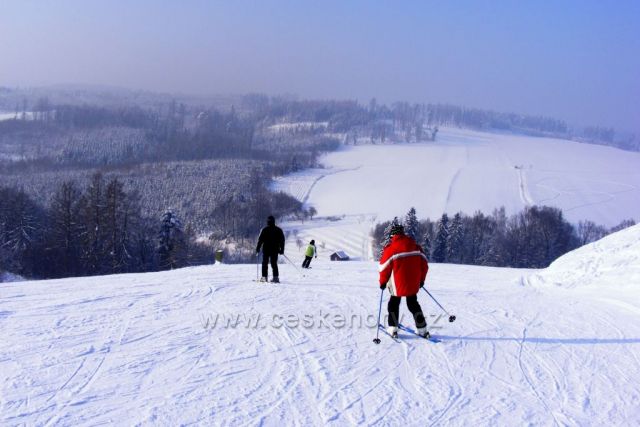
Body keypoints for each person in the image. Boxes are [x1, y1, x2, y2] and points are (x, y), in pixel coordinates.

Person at [378, 223, 429, 338]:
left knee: (393, 304)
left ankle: (393, 328)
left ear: (392, 235)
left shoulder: (391, 249)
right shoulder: (416, 246)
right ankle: (422, 329)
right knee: (413, 304)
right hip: (413, 284)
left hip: (397, 285)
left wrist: (383, 282)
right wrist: (421, 280)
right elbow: (424, 265)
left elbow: (383, 268)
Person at [256, 215, 285, 283]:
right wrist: (282, 250)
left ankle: (264, 277)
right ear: (274, 221)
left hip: (266, 249)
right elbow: (282, 241)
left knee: (265, 263)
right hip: (275, 250)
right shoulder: (278, 230)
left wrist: (258, 248)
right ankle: (276, 278)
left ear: (267, 222)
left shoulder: (264, 229)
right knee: (274, 263)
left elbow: (260, 240)